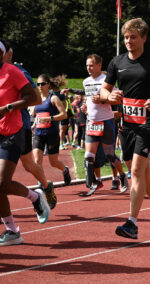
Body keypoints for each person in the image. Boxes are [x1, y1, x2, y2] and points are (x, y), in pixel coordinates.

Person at [100, 18, 150, 239]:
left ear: (143, 37)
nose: (129, 41)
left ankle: (132, 223)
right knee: (142, 172)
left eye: (133, 37)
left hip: (148, 124)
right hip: (126, 125)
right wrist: (110, 96)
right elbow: (105, 91)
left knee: (136, 171)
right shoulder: (117, 62)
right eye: (126, 37)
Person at [0, 40, 50, 246]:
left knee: (2, 183)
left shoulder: (12, 72)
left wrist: (8, 107)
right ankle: (12, 230)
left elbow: (36, 98)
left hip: (12, 131)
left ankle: (35, 197)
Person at [74, 54, 129, 196]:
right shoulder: (86, 82)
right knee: (89, 156)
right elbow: (89, 98)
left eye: (91, 65)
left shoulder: (106, 80)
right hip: (91, 121)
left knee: (110, 155)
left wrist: (103, 101)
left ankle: (122, 176)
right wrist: (85, 106)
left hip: (106, 121)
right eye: (87, 65)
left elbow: (117, 100)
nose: (88, 68)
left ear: (99, 65)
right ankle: (95, 181)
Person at [32, 74, 72, 186]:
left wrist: (50, 118)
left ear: (48, 84)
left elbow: (64, 114)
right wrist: (34, 124)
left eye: (42, 84)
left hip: (52, 133)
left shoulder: (53, 98)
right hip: (38, 133)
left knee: (53, 162)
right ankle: (42, 183)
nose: (40, 86)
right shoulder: (37, 99)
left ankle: (65, 170)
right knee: (37, 160)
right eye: (38, 84)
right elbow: (38, 115)